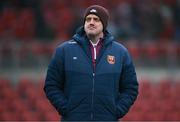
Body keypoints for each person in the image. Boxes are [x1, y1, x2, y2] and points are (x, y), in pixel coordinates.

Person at [44, 5, 139, 121]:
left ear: (104, 24)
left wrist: (117, 111)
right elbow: (51, 85)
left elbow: (131, 88)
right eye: (88, 19)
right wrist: (66, 108)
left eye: (96, 19)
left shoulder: (120, 52)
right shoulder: (64, 50)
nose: (91, 22)